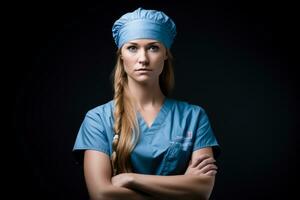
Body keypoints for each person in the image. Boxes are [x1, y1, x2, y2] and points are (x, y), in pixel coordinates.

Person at [73, 7, 221, 200]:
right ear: (121, 55)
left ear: (165, 54)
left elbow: (202, 191)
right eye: (132, 48)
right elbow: (101, 194)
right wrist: (181, 189)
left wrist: (131, 179)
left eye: (153, 47)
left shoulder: (193, 116)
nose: (143, 59)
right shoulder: (98, 119)